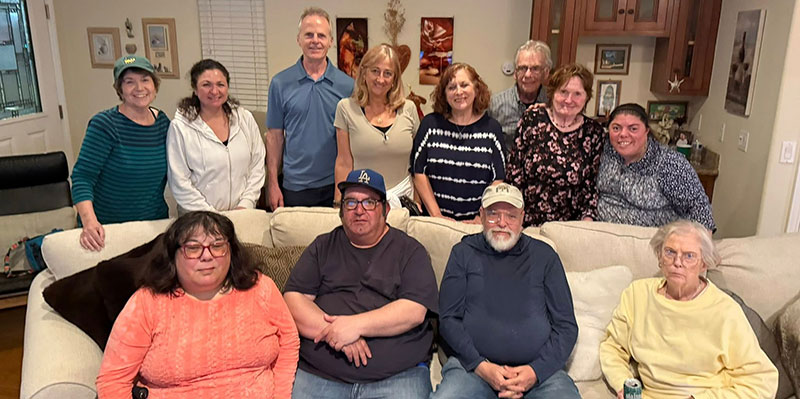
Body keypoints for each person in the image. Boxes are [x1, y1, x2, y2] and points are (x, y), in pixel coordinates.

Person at [96, 211, 300, 398]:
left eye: (217, 246)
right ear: (173, 255)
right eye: (193, 248)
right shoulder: (146, 302)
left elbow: (289, 341)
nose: (207, 255)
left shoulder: (260, 287)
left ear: (231, 250)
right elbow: (113, 381)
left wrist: (280, 395)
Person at [283, 168, 438, 399]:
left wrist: (354, 326)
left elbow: (413, 311)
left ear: (385, 209)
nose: (359, 211)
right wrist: (337, 335)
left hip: (397, 376)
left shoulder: (410, 251)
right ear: (341, 211)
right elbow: (293, 300)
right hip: (321, 374)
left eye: (369, 203)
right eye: (351, 202)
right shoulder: (323, 246)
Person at [599, 219, 778, 398]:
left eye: (689, 256)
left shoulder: (725, 311)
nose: (677, 262)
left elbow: (762, 380)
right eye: (670, 252)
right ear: (660, 257)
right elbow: (613, 348)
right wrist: (624, 385)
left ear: (704, 264)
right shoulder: (637, 295)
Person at [434, 183, 580, 399]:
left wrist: (535, 372)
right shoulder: (463, 253)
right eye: (493, 214)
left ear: (522, 218)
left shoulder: (545, 257)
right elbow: (447, 319)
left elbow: (566, 327)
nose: (502, 223)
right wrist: (481, 366)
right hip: (473, 369)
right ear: (481, 215)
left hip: (539, 375)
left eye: (510, 216)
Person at [71, 55, 170, 251]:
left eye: (145, 80)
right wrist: (89, 222)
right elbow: (82, 176)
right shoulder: (104, 124)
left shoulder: (163, 123)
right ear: (120, 89)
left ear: (155, 85)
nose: (139, 88)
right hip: (107, 230)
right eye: (129, 82)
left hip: (152, 226)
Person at [266, 7, 354, 210]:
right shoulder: (280, 83)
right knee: (295, 243)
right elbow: (274, 137)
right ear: (299, 39)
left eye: (321, 35)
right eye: (309, 35)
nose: (315, 40)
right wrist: (272, 184)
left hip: (336, 185)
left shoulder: (348, 86)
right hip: (295, 187)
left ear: (330, 41)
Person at [505, 63, 604, 227]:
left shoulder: (594, 132)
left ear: (587, 97)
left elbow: (592, 186)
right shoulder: (533, 118)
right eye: (563, 92)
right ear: (552, 93)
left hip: (570, 227)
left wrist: (586, 225)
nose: (569, 100)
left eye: (577, 94)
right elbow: (514, 172)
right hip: (527, 223)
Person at [595, 103, 716, 231]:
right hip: (602, 235)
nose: (623, 134)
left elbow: (700, 209)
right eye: (616, 128)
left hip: (652, 240)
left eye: (633, 128)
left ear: (646, 131)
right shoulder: (604, 149)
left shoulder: (669, 162)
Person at [167, 59, 266, 214]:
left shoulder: (244, 118)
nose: (214, 91)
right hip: (198, 218)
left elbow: (257, 164)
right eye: (206, 85)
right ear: (195, 88)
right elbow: (179, 182)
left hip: (242, 214)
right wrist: (212, 216)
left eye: (220, 84)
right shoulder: (180, 127)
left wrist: (246, 204)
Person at [411, 63, 505, 222]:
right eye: (451, 87)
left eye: (464, 85)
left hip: (477, 225)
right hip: (435, 223)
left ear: (476, 88)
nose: (458, 92)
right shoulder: (430, 124)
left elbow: (498, 177)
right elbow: (418, 170)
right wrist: (437, 216)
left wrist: (481, 217)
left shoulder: (492, 129)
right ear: (444, 93)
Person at [333, 44, 420, 209]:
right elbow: (344, 162)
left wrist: (417, 201)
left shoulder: (408, 109)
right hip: (362, 201)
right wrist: (339, 203)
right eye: (375, 71)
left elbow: (417, 164)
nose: (380, 79)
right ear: (364, 73)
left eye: (388, 73)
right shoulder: (346, 108)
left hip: (404, 200)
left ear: (395, 79)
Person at [488, 40, 552, 153]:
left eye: (535, 69)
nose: (528, 75)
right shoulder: (495, 105)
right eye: (522, 68)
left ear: (546, 73)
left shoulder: (554, 105)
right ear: (515, 73)